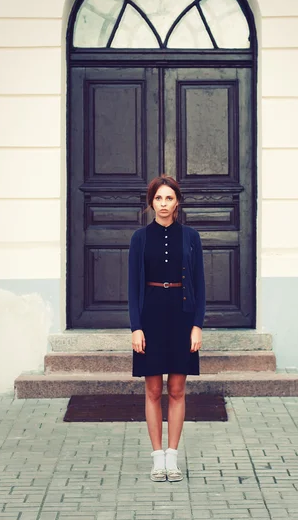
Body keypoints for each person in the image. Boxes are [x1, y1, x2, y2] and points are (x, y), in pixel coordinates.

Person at [128, 175, 206, 482]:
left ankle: (173, 458)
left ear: (177, 202)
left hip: (181, 316)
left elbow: (199, 285)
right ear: (151, 202)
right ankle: (156, 458)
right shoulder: (139, 238)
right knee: (152, 390)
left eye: (169, 199)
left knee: (176, 389)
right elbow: (133, 287)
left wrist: (197, 325)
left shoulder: (191, 237)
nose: (163, 204)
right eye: (158, 198)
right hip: (150, 318)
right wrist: (136, 327)